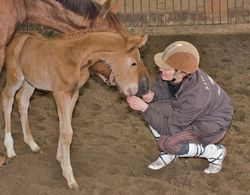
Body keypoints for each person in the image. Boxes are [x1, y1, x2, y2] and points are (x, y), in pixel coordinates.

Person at [127, 41, 233, 174]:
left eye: (166, 68)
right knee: (152, 107)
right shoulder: (172, 76)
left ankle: (214, 153)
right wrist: (152, 97)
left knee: (167, 143)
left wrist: (145, 109)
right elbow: (165, 96)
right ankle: (171, 153)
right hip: (194, 113)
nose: (161, 70)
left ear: (181, 72)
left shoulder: (197, 96)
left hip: (211, 125)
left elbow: (170, 127)